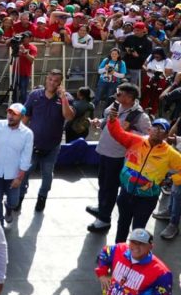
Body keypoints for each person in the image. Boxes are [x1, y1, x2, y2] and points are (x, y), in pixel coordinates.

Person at [103, 108, 181, 242]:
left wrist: (172, 180)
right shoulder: (136, 141)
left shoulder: (170, 153)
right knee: (122, 225)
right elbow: (117, 133)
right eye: (155, 127)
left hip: (147, 199)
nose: (157, 130)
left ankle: (135, 258)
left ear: (166, 135)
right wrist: (112, 120)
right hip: (126, 194)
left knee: (138, 231)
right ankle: (118, 255)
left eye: (161, 129)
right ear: (149, 130)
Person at [86, 83, 150, 234]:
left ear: (129, 97)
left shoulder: (139, 116)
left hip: (118, 156)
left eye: (120, 93)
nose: (116, 95)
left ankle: (104, 219)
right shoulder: (115, 106)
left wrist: (129, 130)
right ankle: (102, 207)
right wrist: (99, 123)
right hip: (105, 151)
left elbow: (147, 138)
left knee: (110, 187)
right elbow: (106, 121)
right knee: (103, 183)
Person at [22, 70, 75, 213]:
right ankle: (20, 197)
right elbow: (26, 116)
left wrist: (63, 98)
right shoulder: (35, 95)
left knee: (47, 175)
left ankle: (42, 198)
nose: (52, 83)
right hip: (33, 144)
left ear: (60, 83)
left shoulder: (67, 98)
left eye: (55, 81)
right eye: (50, 79)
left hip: (52, 146)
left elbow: (69, 117)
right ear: (46, 79)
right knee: (24, 172)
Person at [0, 103, 33, 225]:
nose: (11, 116)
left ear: (22, 117)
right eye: (9, 112)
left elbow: (26, 157)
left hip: (13, 174)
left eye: (15, 114)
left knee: (13, 202)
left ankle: (8, 209)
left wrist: (19, 178)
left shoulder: (27, 134)